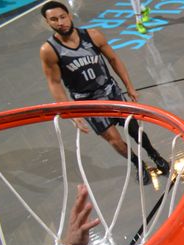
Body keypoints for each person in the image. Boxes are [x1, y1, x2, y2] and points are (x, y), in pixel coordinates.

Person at [39, 1, 169, 185]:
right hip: (87, 103)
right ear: (47, 22)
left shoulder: (92, 35)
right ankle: (138, 164)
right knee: (114, 141)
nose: (60, 22)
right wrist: (70, 113)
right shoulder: (49, 50)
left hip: (110, 91)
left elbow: (114, 59)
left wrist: (129, 86)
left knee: (134, 130)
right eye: (54, 19)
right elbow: (54, 82)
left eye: (62, 17)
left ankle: (154, 154)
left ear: (69, 15)